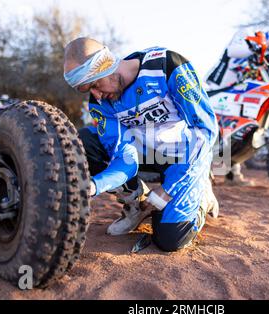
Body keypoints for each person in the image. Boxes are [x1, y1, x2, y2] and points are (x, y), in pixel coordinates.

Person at [63, 38, 219, 252]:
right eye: (89, 90)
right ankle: (137, 205)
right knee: (83, 142)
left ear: (107, 65)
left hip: (185, 156)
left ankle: (200, 194)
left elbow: (205, 130)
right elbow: (123, 160)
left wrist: (168, 189)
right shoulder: (100, 103)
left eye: (95, 84)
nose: (97, 95)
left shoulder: (167, 65)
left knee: (169, 240)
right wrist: (93, 186)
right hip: (145, 156)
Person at [205, 27, 269, 186]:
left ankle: (232, 174)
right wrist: (261, 46)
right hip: (214, 87)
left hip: (234, 93)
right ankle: (203, 170)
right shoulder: (247, 35)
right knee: (215, 131)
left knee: (239, 131)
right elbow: (232, 50)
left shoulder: (259, 55)